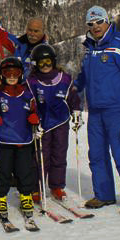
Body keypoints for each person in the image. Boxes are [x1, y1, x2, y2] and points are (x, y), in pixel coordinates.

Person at [74, 6, 120, 215]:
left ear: (107, 21)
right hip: (95, 111)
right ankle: (104, 194)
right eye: (91, 23)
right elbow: (83, 77)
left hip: (118, 110)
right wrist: (70, 90)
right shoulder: (90, 48)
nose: (95, 26)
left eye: (99, 22)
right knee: (96, 154)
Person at [0, 57, 40, 219]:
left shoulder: (27, 94)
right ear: (2, 75)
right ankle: (0, 197)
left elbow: (35, 111)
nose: (12, 76)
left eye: (15, 72)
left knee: (25, 170)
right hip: (4, 141)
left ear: (21, 74)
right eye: (8, 73)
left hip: (24, 139)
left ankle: (26, 196)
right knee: (4, 171)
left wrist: (35, 117)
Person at [27, 44, 81, 201]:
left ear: (53, 61)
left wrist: (76, 110)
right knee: (40, 156)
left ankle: (57, 186)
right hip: (42, 124)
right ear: (36, 64)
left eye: (48, 62)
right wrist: (32, 119)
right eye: (41, 63)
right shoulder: (32, 81)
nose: (45, 66)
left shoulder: (64, 79)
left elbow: (73, 97)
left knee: (59, 154)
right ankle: (37, 187)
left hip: (60, 122)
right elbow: (29, 102)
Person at [0, 2, 48, 76]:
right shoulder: (19, 43)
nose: (32, 34)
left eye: (36, 31)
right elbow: (0, 35)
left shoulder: (46, 51)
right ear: (26, 30)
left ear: (43, 32)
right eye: (30, 30)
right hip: (17, 81)